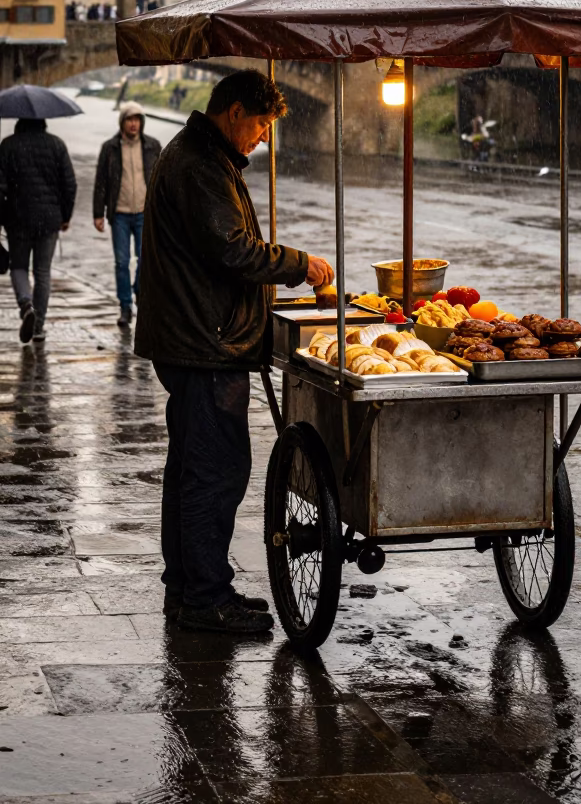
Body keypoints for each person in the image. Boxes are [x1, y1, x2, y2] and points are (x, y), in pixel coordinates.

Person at [135, 69, 333, 636]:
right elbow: (232, 250)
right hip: (205, 342)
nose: (263, 137)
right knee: (215, 473)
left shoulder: (203, 155)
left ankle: (191, 587)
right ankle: (203, 598)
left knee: (193, 470)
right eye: (263, 124)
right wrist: (299, 263)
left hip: (196, 336)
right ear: (236, 112)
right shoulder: (199, 164)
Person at [0, 117, 77, 343]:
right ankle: (39, 325)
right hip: (49, 219)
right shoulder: (56, 145)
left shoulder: (8, 145)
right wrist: (65, 216)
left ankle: (26, 305)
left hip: (17, 219)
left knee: (19, 266)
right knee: (42, 271)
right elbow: (69, 184)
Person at [93, 102, 162, 327]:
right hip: (120, 214)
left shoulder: (152, 146)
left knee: (145, 260)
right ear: (122, 122)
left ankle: (139, 291)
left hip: (145, 212)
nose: (134, 124)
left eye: (137, 119)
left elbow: (161, 180)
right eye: (129, 119)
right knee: (122, 262)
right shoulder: (110, 148)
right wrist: (98, 213)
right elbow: (101, 182)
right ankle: (125, 306)